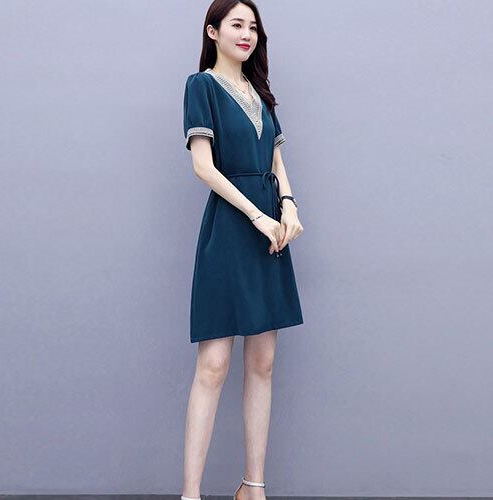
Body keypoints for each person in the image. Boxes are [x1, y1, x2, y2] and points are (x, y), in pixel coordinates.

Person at [181, 1, 304, 499]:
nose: (247, 33)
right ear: (213, 32)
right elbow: (203, 167)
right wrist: (257, 215)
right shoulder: (201, 86)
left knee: (263, 363)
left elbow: (275, 159)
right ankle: (190, 494)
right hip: (233, 227)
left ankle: (253, 488)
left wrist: (289, 206)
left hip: (272, 228)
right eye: (236, 24)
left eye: (253, 26)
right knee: (213, 364)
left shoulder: (260, 91)